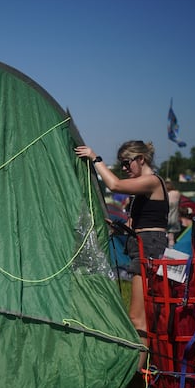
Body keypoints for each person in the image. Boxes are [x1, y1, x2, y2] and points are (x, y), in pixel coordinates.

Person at [75, 140, 169, 368]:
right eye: (122, 165)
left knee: (138, 318)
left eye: (127, 163)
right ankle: (140, 370)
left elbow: (115, 185)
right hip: (142, 245)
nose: (125, 169)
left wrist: (95, 158)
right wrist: (122, 229)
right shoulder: (144, 185)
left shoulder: (153, 181)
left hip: (149, 248)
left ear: (141, 160)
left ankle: (136, 377)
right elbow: (146, 221)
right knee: (139, 316)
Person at [165, 178, 182, 248]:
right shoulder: (177, 193)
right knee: (172, 238)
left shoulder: (165, 194)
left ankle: (166, 254)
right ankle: (172, 252)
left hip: (166, 219)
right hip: (175, 219)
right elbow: (179, 205)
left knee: (166, 238)